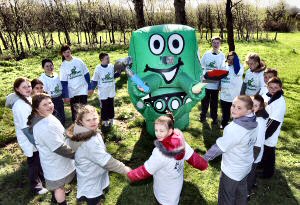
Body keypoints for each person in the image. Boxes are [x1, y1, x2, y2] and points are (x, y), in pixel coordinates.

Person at [127, 114, 208, 205]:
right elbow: (196, 160)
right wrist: (204, 164)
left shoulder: (160, 153)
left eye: (161, 131)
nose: (157, 134)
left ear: (170, 131)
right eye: (156, 130)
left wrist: (130, 175)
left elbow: (146, 170)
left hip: (163, 192)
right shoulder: (182, 143)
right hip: (176, 187)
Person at [66, 105, 131, 205]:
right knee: (94, 200)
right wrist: (124, 169)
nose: (92, 122)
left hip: (91, 172)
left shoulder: (83, 131)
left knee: (96, 198)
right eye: (88, 120)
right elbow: (106, 161)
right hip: (91, 178)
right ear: (81, 122)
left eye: (95, 118)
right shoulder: (88, 141)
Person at [203, 95, 258, 205]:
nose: (233, 109)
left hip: (232, 170)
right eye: (233, 105)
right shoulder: (254, 121)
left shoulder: (234, 128)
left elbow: (219, 147)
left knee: (226, 197)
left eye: (239, 108)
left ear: (248, 111)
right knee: (241, 191)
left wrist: (204, 158)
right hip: (245, 166)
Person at [28, 93, 75, 205]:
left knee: (59, 185)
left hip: (61, 160)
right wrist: (76, 154)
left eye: (50, 102)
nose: (49, 106)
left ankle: (56, 197)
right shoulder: (43, 127)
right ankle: (61, 202)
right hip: (55, 162)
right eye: (45, 104)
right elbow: (58, 147)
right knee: (58, 187)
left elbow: (60, 133)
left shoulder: (48, 116)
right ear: (37, 109)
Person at [5, 77, 47, 195]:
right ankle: (36, 186)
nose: (28, 89)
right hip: (29, 137)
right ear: (17, 89)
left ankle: (44, 179)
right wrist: (36, 142)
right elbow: (25, 128)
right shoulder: (19, 105)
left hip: (36, 134)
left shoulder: (28, 98)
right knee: (33, 161)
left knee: (39, 159)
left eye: (29, 86)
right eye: (24, 87)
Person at [260, 77, 286, 178]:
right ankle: (261, 165)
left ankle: (268, 173)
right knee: (263, 149)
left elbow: (274, 122)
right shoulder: (266, 95)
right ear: (267, 87)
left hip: (270, 130)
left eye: (276, 87)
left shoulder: (280, 102)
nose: (273, 90)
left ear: (280, 87)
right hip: (263, 127)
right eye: (270, 87)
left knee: (269, 150)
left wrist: (264, 135)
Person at [59, 44, 92, 121]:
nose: (66, 54)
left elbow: (86, 73)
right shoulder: (63, 66)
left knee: (84, 109)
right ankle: (77, 127)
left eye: (68, 52)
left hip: (82, 89)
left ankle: (86, 126)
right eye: (64, 53)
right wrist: (66, 95)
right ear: (62, 54)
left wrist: (89, 86)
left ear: (70, 51)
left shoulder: (78, 61)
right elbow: (64, 82)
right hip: (72, 92)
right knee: (75, 111)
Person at [200, 36, 226, 124]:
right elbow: (201, 66)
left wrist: (220, 84)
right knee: (204, 101)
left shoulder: (222, 56)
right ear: (212, 43)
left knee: (214, 103)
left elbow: (222, 71)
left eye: (217, 43)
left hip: (215, 83)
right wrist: (202, 77)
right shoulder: (207, 54)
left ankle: (214, 118)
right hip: (206, 82)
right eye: (214, 42)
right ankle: (203, 116)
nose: (215, 44)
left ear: (220, 44)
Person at [90, 53, 121, 128]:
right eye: (107, 58)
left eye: (109, 58)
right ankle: (105, 120)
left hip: (111, 90)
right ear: (101, 59)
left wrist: (119, 72)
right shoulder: (98, 68)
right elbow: (94, 80)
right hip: (103, 92)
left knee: (111, 105)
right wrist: (91, 89)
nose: (109, 60)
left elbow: (113, 76)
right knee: (104, 106)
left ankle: (111, 119)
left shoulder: (111, 66)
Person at [247, 94, 269, 198]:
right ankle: (251, 184)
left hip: (255, 149)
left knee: (249, 171)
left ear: (260, 107)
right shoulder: (255, 116)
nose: (252, 107)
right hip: (251, 148)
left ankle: (246, 192)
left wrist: (253, 157)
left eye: (255, 106)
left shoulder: (259, 122)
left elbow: (258, 142)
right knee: (250, 171)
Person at [220, 51, 244, 129]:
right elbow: (220, 76)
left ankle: (235, 126)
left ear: (236, 60)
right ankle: (224, 124)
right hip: (224, 93)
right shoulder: (224, 66)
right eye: (229, 59)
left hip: (234, 94)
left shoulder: (239, 67)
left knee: (235, 111)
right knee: (225, 111)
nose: (230, 61)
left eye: (233, 59)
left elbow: (237, 72)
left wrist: (236, 60)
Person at [39, 58, 65, 125]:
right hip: (51, 99)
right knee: (55, 116)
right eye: (47, 66)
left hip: (59, 97)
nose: (49, 67)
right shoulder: (42, 78)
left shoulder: (56, 75)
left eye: (51, 65)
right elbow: (43, 91)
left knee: (62, 115)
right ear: (43, 68)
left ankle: (62, 128)